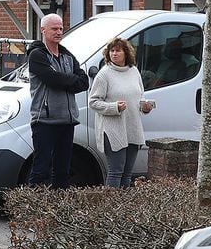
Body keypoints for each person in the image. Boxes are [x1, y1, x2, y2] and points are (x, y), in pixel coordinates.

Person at [27, 13, 89, 188]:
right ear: (43, 30)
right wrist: (70, 80)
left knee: (63, 171)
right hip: (45, 121)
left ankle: (57, 210)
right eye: (54, 28)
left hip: (67, 121)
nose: (59, 32)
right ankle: (34, 210)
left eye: (61, 28)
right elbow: (51, 79)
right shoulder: (37, 55)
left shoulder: (67, 56)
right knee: (41, 170)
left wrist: (65, 80)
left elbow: (84, 81)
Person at [88, 38, 154, 188]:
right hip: (112, 129)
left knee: (127, 173)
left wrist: (145, 106)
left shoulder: (134, 71)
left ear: (126, 53)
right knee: (116, 171)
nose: (114, 53)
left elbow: (140, 95)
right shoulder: (104, 74)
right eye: (112, 51)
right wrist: (114, 107)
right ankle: (110, 209)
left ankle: (124, 208)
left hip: (132, 126)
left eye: (118, 50)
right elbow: (93, 102)